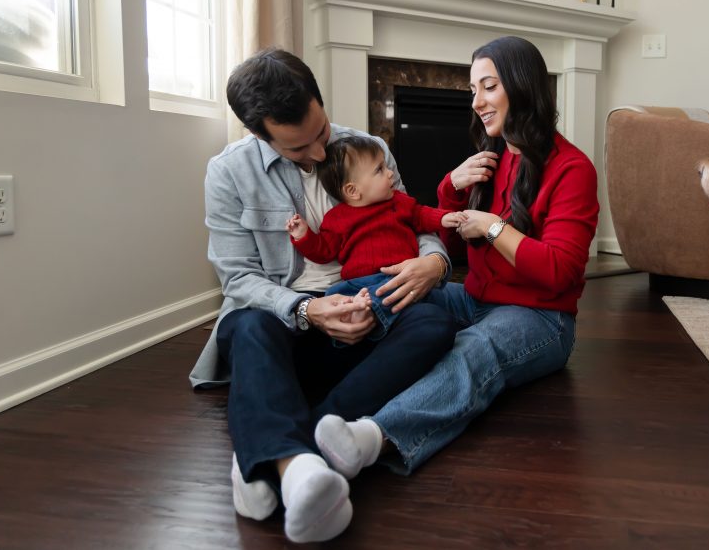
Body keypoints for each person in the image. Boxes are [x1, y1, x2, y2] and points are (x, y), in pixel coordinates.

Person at [189, 47, 457, 543]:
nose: (318, 153)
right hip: (287, 328)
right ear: (259, 134)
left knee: (436, 323)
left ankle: (284, 449)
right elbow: (238, 280)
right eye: (297, 148)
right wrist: (308, 310)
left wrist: (434, 261)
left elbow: (414, 220)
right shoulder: (228, 173)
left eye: (322, 133)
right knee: (246, 325)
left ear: (319, 99)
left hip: (367, 314)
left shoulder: (367, 148)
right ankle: (294, 465)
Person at [314, 35, 599, 480]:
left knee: (473, 348)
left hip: (542, 318)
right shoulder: (493, 157)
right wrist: (450, 185)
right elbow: (447, 232)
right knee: (392, 292)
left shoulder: (573, 169)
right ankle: (321, 380)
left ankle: (371, 438)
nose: (477, 102)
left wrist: (490, 225)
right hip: (474, 297)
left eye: (488, 87)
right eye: (472, 91)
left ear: (522, 88)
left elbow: (560, 271)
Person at [286, 136, 465, 343]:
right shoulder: (337, 218)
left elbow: (421, 215)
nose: (390, 173)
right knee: (335, 293)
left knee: (394, 293)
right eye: (379, 170)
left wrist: (443, 217)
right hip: (356, 283)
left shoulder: (398, 202)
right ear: (353, 191)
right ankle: (356, 315)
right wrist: (304, 236)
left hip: (397, 277)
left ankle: (369, 313)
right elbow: (324, 250)